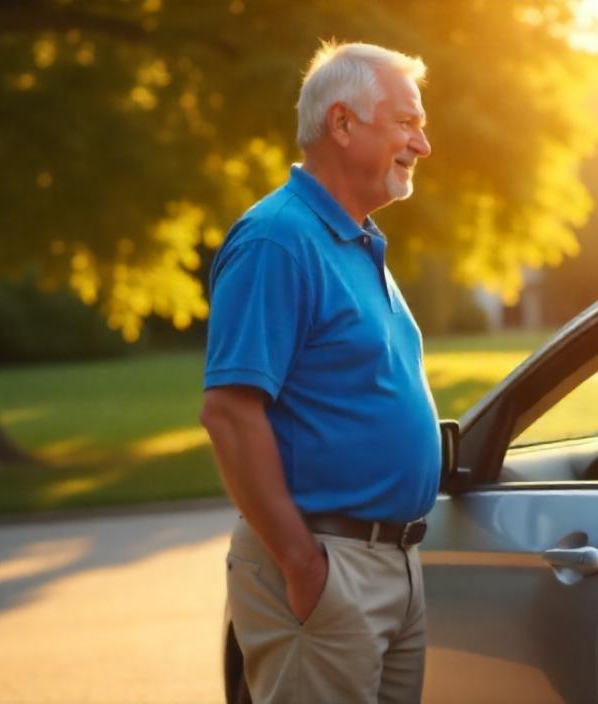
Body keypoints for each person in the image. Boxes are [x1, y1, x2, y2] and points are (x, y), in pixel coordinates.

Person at [199, 41, 437, 703]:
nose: (422, 145)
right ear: (342, 124)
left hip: (389, 566)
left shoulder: (355, 241)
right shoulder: (278, 239)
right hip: (327, 566)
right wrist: (302, 565)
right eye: (407, 123)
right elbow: (229, 413)